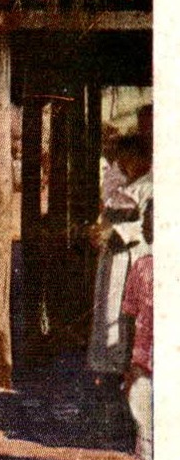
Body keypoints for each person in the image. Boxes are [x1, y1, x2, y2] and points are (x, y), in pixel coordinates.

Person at [88, 134, 152, 380]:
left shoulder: (149, 187)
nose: (125, 165)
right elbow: (104, 217)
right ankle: (104, 369)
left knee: (123, 314)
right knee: (105, 309)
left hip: (131, 257)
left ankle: (122, 370)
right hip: (110, 257)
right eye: (121, 160)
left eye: (129, 159)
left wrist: (116, 231)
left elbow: (147, 226)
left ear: (142, 158)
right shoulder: (120, 188)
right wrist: (98, 231)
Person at [120, 202, 153, 460]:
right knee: (145, 428)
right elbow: (130, 317)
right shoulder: (141, 267)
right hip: (143, 362)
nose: (145, 227)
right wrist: (127, 364)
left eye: (151, 222)